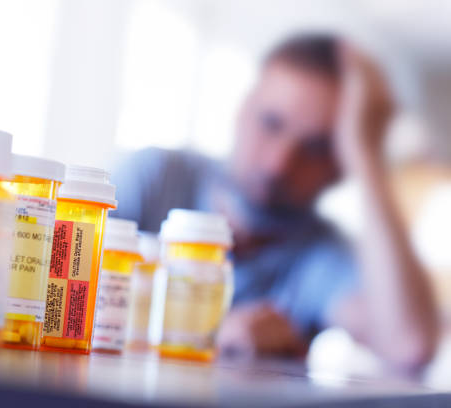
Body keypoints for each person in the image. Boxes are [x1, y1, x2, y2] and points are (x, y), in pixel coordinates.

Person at [112, 33, 439, 369]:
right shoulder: (156, 177)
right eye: (271, 123)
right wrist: (208, 336)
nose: (278, 164)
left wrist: (367, 155)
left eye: (315, 148)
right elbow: (62, 294)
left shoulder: (320, 255)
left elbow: (409, 346)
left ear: (340, 168)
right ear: (241, 110)